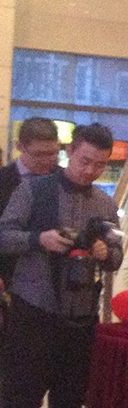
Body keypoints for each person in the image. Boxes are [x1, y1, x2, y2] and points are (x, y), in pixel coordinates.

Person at [0, 123, 123, 408]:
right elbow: (3, 235)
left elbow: (116, 257)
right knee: (20, 398)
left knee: (70, 399)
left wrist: (105, 253)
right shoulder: (34, 191)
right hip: (34, 310)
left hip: (81, 316)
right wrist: (40, 239)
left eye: (99, 165)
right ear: (71, 152)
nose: (90, 170)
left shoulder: (105, 204)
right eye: (85, 161)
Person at [0, 119, 62, 293]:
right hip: (8, 278)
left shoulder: (62, 180)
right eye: (39, 154)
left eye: (52, 153)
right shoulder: (3, 181)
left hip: (53, 284)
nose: (46, 161)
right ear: (19, 146)